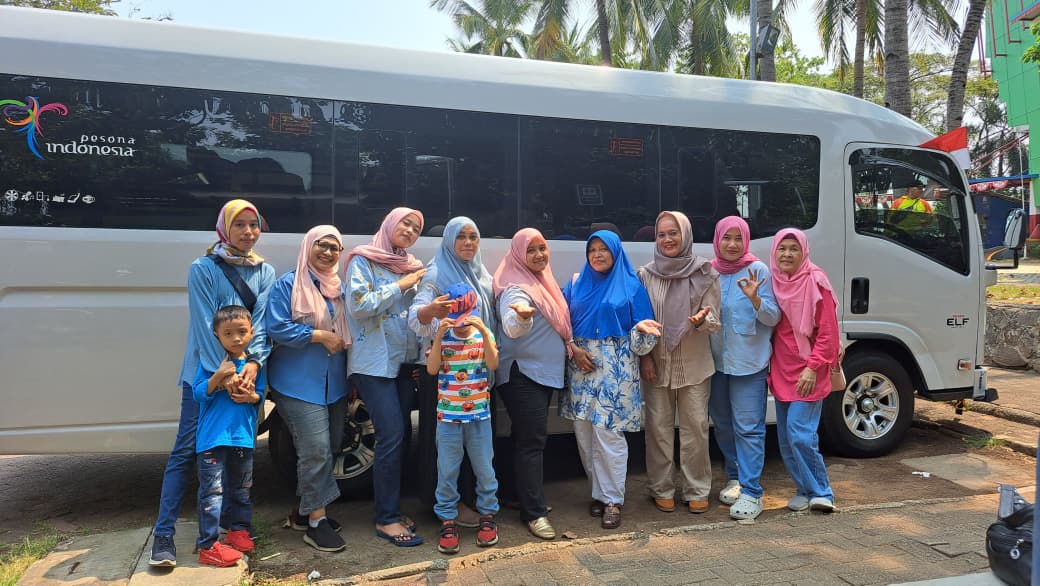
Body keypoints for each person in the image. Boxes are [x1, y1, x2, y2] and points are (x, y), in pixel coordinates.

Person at [150, 199, 275, 568]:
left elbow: (262, 325)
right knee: (186, 452)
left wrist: (253, 364)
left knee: (239, 454)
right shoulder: (202, 268)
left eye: (254, 224)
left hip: (248, 375)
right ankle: (164, 535)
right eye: (240, 224)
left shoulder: (265, 271)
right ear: (224, 228)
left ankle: (234, 528)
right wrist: (227, 375)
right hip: (207, 375)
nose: (248, 232)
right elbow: (206, 328)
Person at [562, 230, 661, 530]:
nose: (597, 254)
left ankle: (613, 500)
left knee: (610, 436)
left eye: (604, 249)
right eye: (592, 249)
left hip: (616, 369)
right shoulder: (576, 284)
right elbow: (562, 324)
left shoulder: (631, 286)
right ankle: (599, 492)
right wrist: (573, 349)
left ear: (616, 252)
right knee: (584, 434)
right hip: (581, 367)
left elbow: (644, 336)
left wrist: (643, 334)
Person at [344, 207, 426, 547]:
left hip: (403, 363)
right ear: (390, 223)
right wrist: (401, 284)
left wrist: (420, 356)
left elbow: (416, 314)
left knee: (402, 435)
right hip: (373, 364)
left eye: (416, 228)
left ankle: (391, 509)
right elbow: (359, 306)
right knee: (391, 433)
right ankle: (386, 518)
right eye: (405, 223)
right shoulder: (363, 260)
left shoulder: (413, 264)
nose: (410, 231)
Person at [265, 226, 350, 553]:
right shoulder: (289, 284)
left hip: (334, 381)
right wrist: (319, 336)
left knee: (331, 446)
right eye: (321, 245)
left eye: (334, 248)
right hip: (296, 381)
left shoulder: (339, 288)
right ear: (308, 246)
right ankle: (317, 522)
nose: (328, 252)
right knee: (315, 449)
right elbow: (276, 327)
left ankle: (304, 512)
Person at [409, 216, 495, 527]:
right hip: (444, 374)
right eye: (461, 237)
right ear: (448, 241)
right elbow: (416, 317)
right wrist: (430, 312)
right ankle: (446, 508)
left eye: (473, 236)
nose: (468, 243)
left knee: (477, 449)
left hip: (476, 371)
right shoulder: (437, 273)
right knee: (445, 450)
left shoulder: (480, 272)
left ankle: (474, 503)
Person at [636, 211, 721, 515]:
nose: (668, 239)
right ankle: (661, 487)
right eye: (661, 234)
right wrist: (645, 357)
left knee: (695, 429)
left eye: (674, 233)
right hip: (656, 364)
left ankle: (696, 488)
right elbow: (640, 321)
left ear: (685, 235)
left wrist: (701, 321)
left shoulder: (705, 273)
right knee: (657, 429)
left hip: (694, 364)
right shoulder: (645, 275)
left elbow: (715, 319)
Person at [493, 228, 572, 540]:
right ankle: (534, 513)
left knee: (522, 436)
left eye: (542, 248)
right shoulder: (515, 287)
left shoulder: (542, 281)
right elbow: (512, 326)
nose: (539, 255)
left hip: (540, 372)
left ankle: (513, 494)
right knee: (533, 441)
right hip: (523, 374)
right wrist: (522, 318)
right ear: (518, 255)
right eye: (531, 250)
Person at [707, 216, 781, 521]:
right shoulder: (709, 271)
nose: (732, 244)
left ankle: (752, 492)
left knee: (749, 428)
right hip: (716, 363)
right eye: (727, 237)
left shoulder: (758, 270)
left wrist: (756, 299)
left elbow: (774, 318)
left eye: (739, 238)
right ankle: (735, 477)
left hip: (749, 364)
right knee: (723, 424)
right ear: (717, 239)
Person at [425, 283, 501, 554]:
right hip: (448, 418)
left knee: (485, 469)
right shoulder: (443, 337)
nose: (460, 326)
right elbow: (432, 369)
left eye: (464, 320)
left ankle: (488, 515)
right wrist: (438, 337)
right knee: (447, 470)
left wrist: (484, 332)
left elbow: (493, 364)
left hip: (479, 416)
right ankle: (447, 519)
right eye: (456, 320)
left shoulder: (482, 335)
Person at [769, 228, 840, 513]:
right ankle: (803, 489)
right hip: (781, 370)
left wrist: (812, 368)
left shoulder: (816, 281)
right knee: (786, 439)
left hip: (809, 371)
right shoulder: (773, 282)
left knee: (800, 434)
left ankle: (822, 492)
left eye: (793, 249)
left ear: (804, 252)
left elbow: (829, 333)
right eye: (782, 248)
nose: (787, 254)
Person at [191, 305, 265, 567]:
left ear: (252, 332)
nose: (236, 338)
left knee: (242, 489)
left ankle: (238, 530)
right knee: (212, 493)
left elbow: (260, 396)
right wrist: (218, 377)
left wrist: (251, 396)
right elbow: (197, 393)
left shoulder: (254, 367)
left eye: (242, 332)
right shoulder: (211, 363)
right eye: (228, 333)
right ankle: (208, 545)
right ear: (216, 335)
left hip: (242, 438)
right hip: (212, 439)